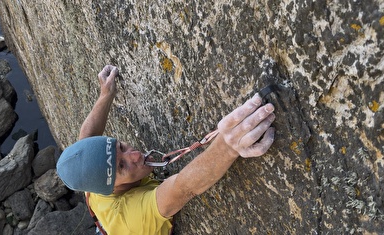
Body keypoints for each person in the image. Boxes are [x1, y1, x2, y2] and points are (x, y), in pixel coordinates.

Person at [56, 65, 276, 235]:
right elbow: (183, 188)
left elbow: (85, 140)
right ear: (109, 188)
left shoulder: (93, 174)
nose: (135, 155)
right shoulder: (131, 218)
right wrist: (228, 146)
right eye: (122, 165)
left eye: (121, 147)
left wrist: (105, 95)